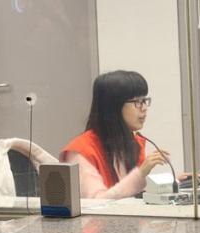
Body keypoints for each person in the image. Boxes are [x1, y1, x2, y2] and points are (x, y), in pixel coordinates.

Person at [60, 70, 169, 199]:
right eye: (137, 102)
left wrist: (174, 184)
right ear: (113, 106)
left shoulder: (131, 143)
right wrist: (140, 173)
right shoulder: (81, 152)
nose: (144, 108)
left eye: (145, 100)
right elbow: (98, 201)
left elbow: (133, 195)